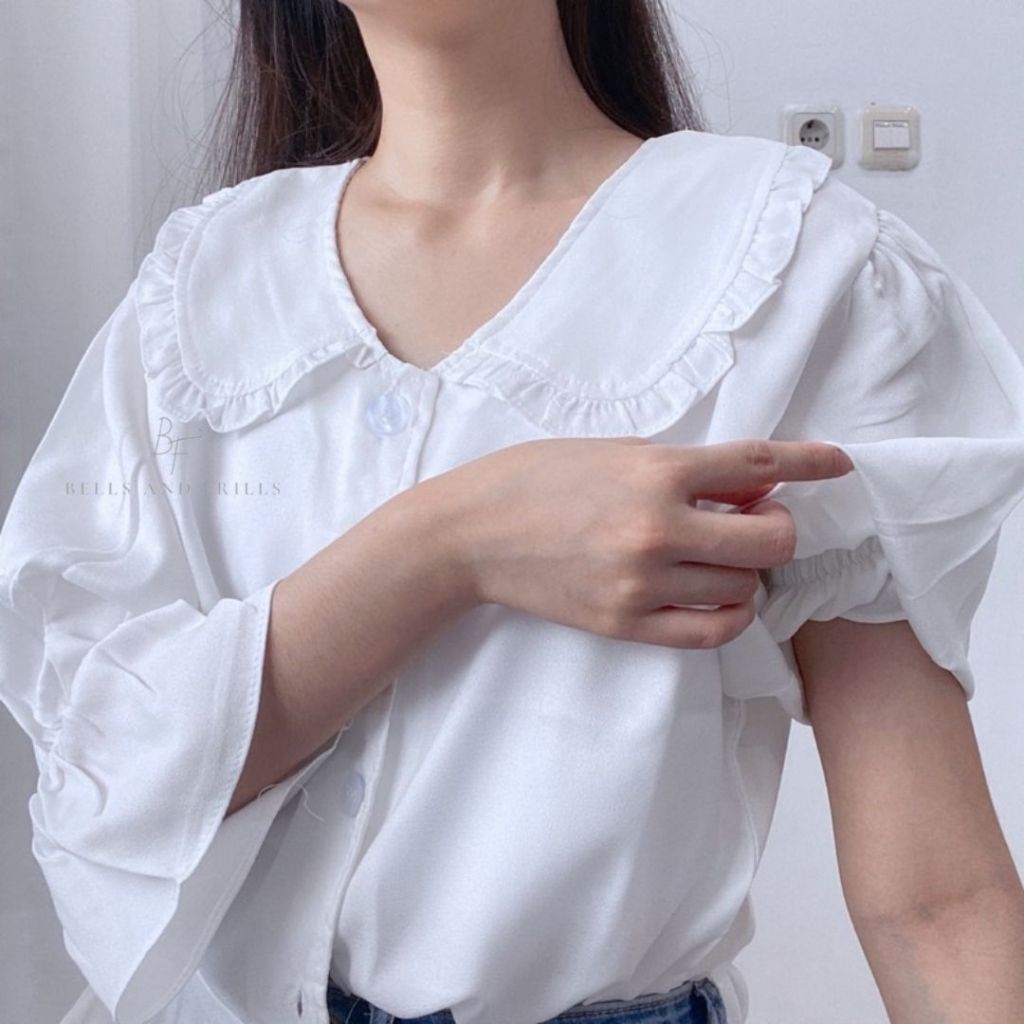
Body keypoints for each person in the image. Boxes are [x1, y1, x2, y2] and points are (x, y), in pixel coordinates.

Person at [2, 2, 1024, 1023]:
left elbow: (936, 901)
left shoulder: (797, 263)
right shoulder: (197, 283)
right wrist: (456, 541)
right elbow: (116, 781)